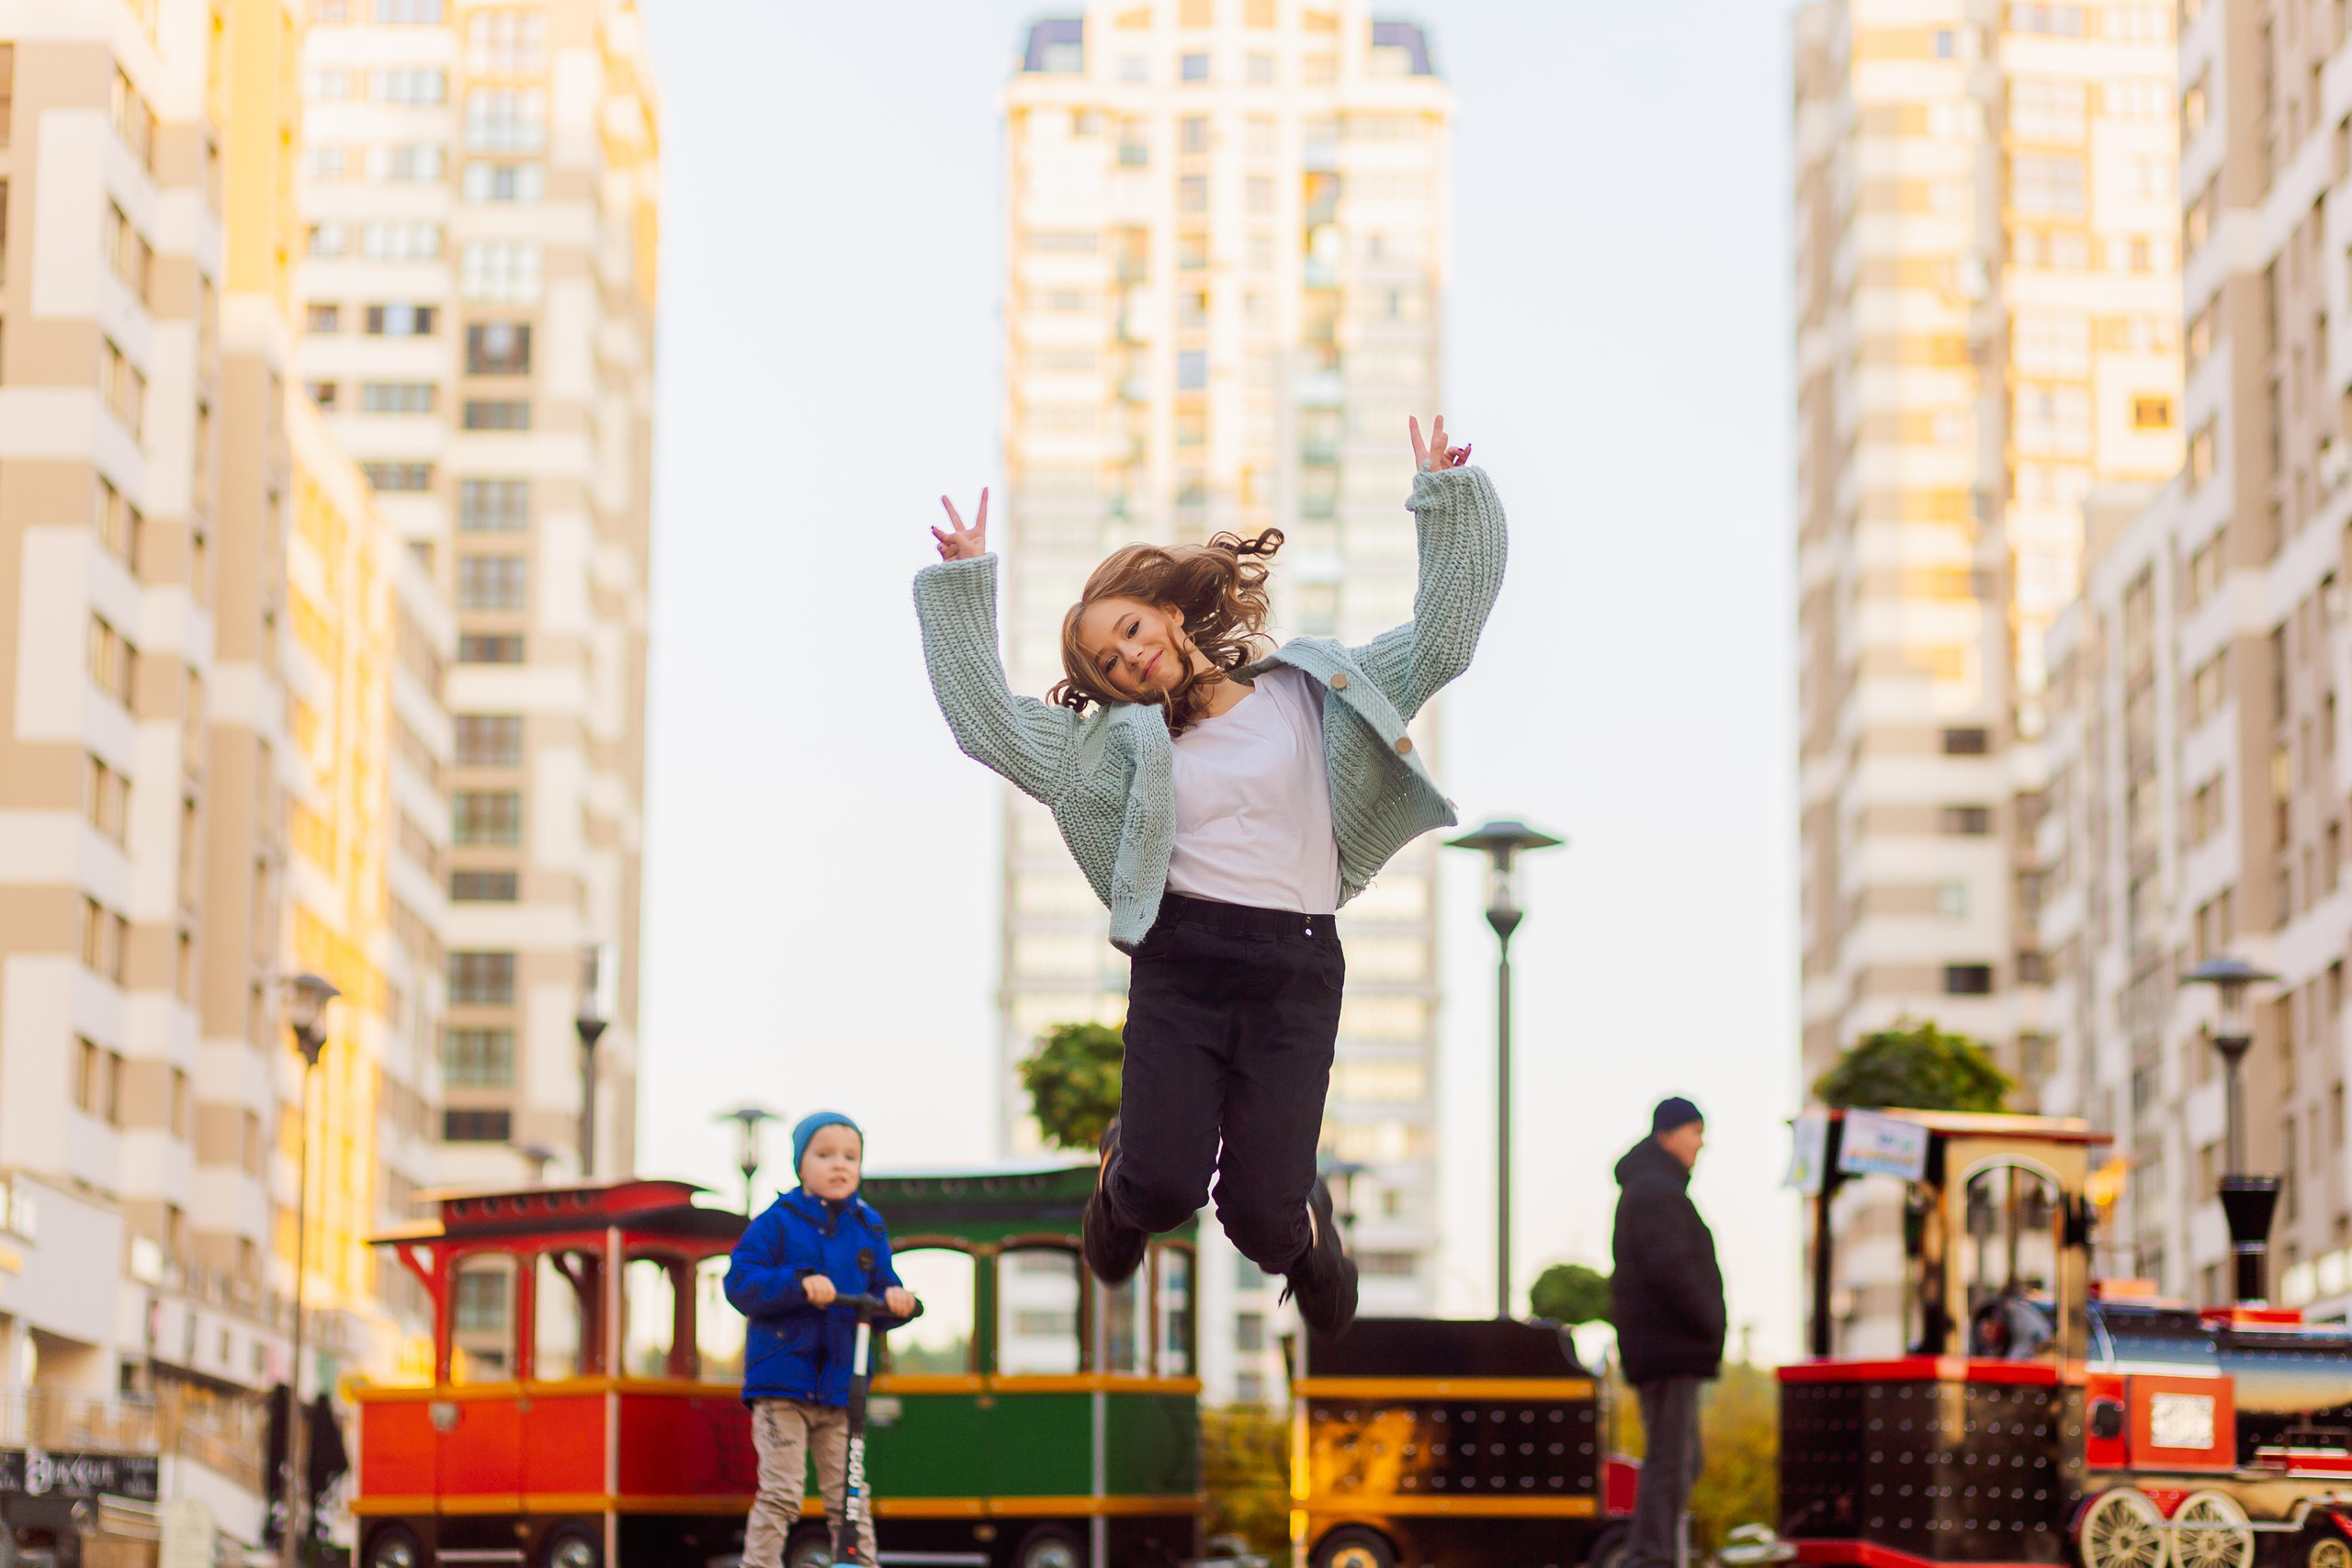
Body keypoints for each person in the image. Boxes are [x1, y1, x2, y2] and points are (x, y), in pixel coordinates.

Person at [918, 417, 1505, 1337]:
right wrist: (963, 582)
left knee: (1262, 1218)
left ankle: (1308, 1239)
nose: (1128, 658)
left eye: (1130, 631)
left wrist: (1445, 497)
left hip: (1297, 970)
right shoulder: (1103, 752)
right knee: (1161, 1187)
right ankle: (1119, 1184)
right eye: (1108, 664)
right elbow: (986, 724)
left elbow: (1444, 638)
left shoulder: (1316, 692)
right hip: (1181, 966)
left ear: (1167, 613)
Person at [726, 1111, 919, 1568]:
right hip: (783, 1387)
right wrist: (799, 1283)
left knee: (849, 1496)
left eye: (851, 1157)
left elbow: (881, 1288)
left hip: (840, 1387)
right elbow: (741, 1282)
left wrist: (896, 1300)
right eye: (825, 1154)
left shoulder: (868, 1226)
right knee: (782, 1493)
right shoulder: (777, 1222)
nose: (840, 1165)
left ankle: (860, 1563)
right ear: (800, 1165)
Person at [1611, 1097, 1727, 1568]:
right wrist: (1709, 1321)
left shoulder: (1651, 1186)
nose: (1701, 1143)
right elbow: (1670, 1266)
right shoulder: (1656, 1190)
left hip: (1664, 1348)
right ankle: (1652, 1558)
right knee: (1671, 1464)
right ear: (1668, 1134)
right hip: (1670, 1349)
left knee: (1677, 1462)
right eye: (1694, 1132)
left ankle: (1654, 1554)